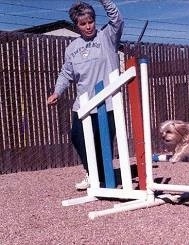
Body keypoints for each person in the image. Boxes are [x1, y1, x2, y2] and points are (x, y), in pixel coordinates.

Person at [47, 0, 124, 190]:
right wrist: (57, 91)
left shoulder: (107, 37)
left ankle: (106, 180)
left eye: (90, 21)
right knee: (77, 137)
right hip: (83, 104)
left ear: (94, 21)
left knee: (102, 142)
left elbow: (117, 19)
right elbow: (66, 73)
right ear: (77, 26)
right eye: (83, 23)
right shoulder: (72, 48)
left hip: (107, 103)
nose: (88, 26)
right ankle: (93, 174)